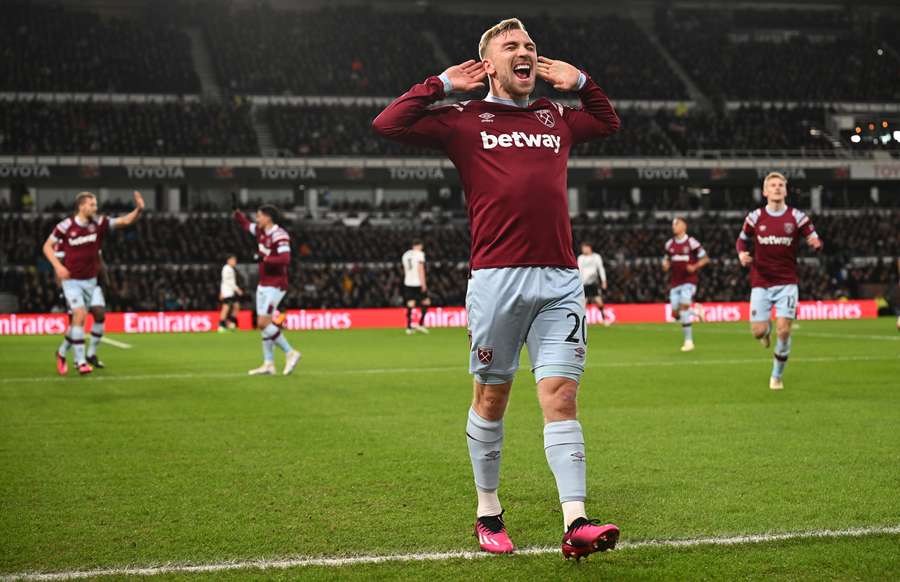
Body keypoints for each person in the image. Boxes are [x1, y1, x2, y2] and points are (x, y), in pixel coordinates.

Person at [373, 17, 621, 559]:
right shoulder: (462, 119)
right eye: (512, 46)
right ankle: (488, 510)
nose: (526, 51)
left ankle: (575, 520)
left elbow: (609, 121)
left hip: (560, 277)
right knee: (492, 396)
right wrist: (440, 84)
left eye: (530, 45)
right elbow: (388, 124)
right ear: (489, 63)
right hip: (496, 278)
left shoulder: (557, 116)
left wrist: (580, 81)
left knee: (561, 395)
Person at [736, 172, 823, 390]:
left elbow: (813, 235)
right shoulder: (755, 217)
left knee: (784, 330)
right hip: (761, 282)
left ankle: (776, 375)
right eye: (772, 185)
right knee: (757, 331)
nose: (777, 188)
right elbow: (741, 240)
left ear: (785, 190)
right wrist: (741, 255)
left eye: (780, 185)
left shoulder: (797, 217)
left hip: (786, 282)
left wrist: (815, 242)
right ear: (765, 192)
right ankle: (765, 333)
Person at [42, 191, 144, 375]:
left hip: (90, 281)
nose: (95, 208)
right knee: (80, 315)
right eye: (92, 204)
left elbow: (124, 221)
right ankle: (81, 361)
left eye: (96, 204)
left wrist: (138, 210)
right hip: (71, 280)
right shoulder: (65, 226)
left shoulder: (99, 223)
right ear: (81, 206)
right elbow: (46, 246)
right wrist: (58, 267)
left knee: (78, 322)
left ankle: (61, 352)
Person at [234, 205, 302, 376]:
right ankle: (268, 364)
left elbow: (285, 259)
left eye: (259, 216)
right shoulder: (259, 230)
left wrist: (265, 258)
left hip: (276, 284)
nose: (256, 220)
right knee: (264, 326)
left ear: (268, 217)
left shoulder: (280, 235)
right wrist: (237, 213)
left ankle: (290, 352)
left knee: (263, 323)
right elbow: (245, 224)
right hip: (264, 283)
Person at [662, 217, 709, 352]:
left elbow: (705, 258)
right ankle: (696, 312)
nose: (674, 227)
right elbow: (666, 260)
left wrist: (695, 267)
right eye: (673, 224)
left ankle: (689, 341)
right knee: (675, 314)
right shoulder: (669, 244)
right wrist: (665, 265)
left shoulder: (691, 242)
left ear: (684, 226)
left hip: (689, 281)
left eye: (676, 224)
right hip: (675, 282)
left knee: (683, 307)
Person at [401, 240, 430, 334]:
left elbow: (405, 270)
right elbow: (420, 269)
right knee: (426, 302)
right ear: (419, 245)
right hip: (417, 283)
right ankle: (420, 324)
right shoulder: (420, 254)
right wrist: (424, 284)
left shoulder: (405, 255)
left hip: (408, 282)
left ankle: (409, 327)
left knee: (410, 303)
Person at [577, 242, 609, 326]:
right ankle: (583, 321)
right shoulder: (581, 258)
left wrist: (604, 281)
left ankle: (604, 319)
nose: (583, 250)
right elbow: (579, 270)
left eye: (584, 248)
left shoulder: (596, 257)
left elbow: (601, 269)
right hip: (584, 283)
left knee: (599, 301)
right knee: (584, 303)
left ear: (589, 248)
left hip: (593, 283)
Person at [218, 254, 243, 332]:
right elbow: (227, 281)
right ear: (229, 260)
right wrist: (237, 289)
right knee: (226, 307)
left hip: (230, 291)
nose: (235, 262)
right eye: (233, 260)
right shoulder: (226, 268)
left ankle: (231, 323)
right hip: (227, 291)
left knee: (236, 306)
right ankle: (221, 326)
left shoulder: (231, 269)